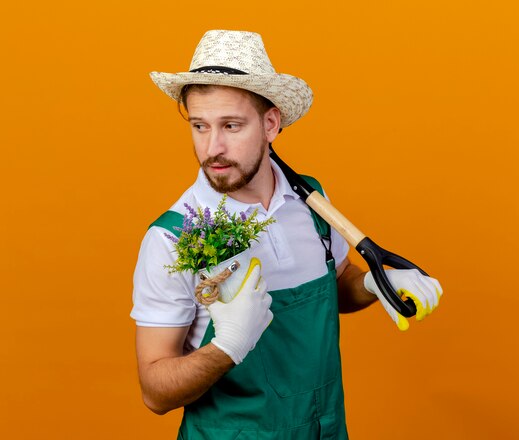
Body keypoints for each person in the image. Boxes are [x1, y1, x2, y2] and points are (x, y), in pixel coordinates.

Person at [131, 30, 442, 439]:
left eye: (231, 125)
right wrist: (226, 347)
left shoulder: (313, 204)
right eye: (200, 126)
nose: (213, 147)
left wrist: (373, 283)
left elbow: (333, 285)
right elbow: (155, 391)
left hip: (324, 429)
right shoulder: (174, 238)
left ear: (271, 123)